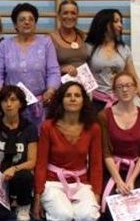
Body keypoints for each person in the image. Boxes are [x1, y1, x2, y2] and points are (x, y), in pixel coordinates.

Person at [34, 81, 102, 221]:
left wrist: (96, 194)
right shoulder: (48, 127)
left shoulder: (93, 128)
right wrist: (38, 196)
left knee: (88, 215)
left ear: (84, 100)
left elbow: (96, 165)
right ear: (61, 100)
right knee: (64, 215)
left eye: (77, 95)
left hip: (81, 183)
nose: (73, 98)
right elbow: (41, 164)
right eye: (68, 95)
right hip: (53, 182)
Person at [0, 3, 60, 128]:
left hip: (40, 104)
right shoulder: (5, 45)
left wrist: (51, 90)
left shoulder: (46, 43)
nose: (27, 22)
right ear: (15, 24)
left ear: (35, 23)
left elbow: (53, 70)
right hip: (11, 104)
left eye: (31, 19)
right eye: (22, 19)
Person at [98, 72, 140, 216]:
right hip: (111, 171)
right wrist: (118, 181)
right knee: (111, 213)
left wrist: (131, 180)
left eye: (128, 85)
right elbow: (106, 152)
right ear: (114, 91)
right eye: (120, 86)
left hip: (136, 171)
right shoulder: (104, 116)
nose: (124, 90)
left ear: (136, 89)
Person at [0, 85, 37, 221]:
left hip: (18, 174)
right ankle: (6, 200)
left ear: (21, 103)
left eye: (13, 100)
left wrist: (14, 168)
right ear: (0, 104)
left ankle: (23, 205)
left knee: (25, 176)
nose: (9, 104)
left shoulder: (29, 128)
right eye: (4, 101)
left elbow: (32, 161)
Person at [84, 9, 140, 111]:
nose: (120, 25)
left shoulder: (124, 49)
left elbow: (134, 77)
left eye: (121, 22)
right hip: (94, 102)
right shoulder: (88, 47)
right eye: (116, 21)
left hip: (119, 101)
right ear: (105, 23)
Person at [50, 0, 88, 77]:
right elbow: (45, 67)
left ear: (77, 16)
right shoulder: (50, 39)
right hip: (62, 85)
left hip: (85, 84)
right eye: (65, 13)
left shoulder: (83, 36)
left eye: (73, 13)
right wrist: (62, 68)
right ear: (59, 16)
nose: (69, 16)